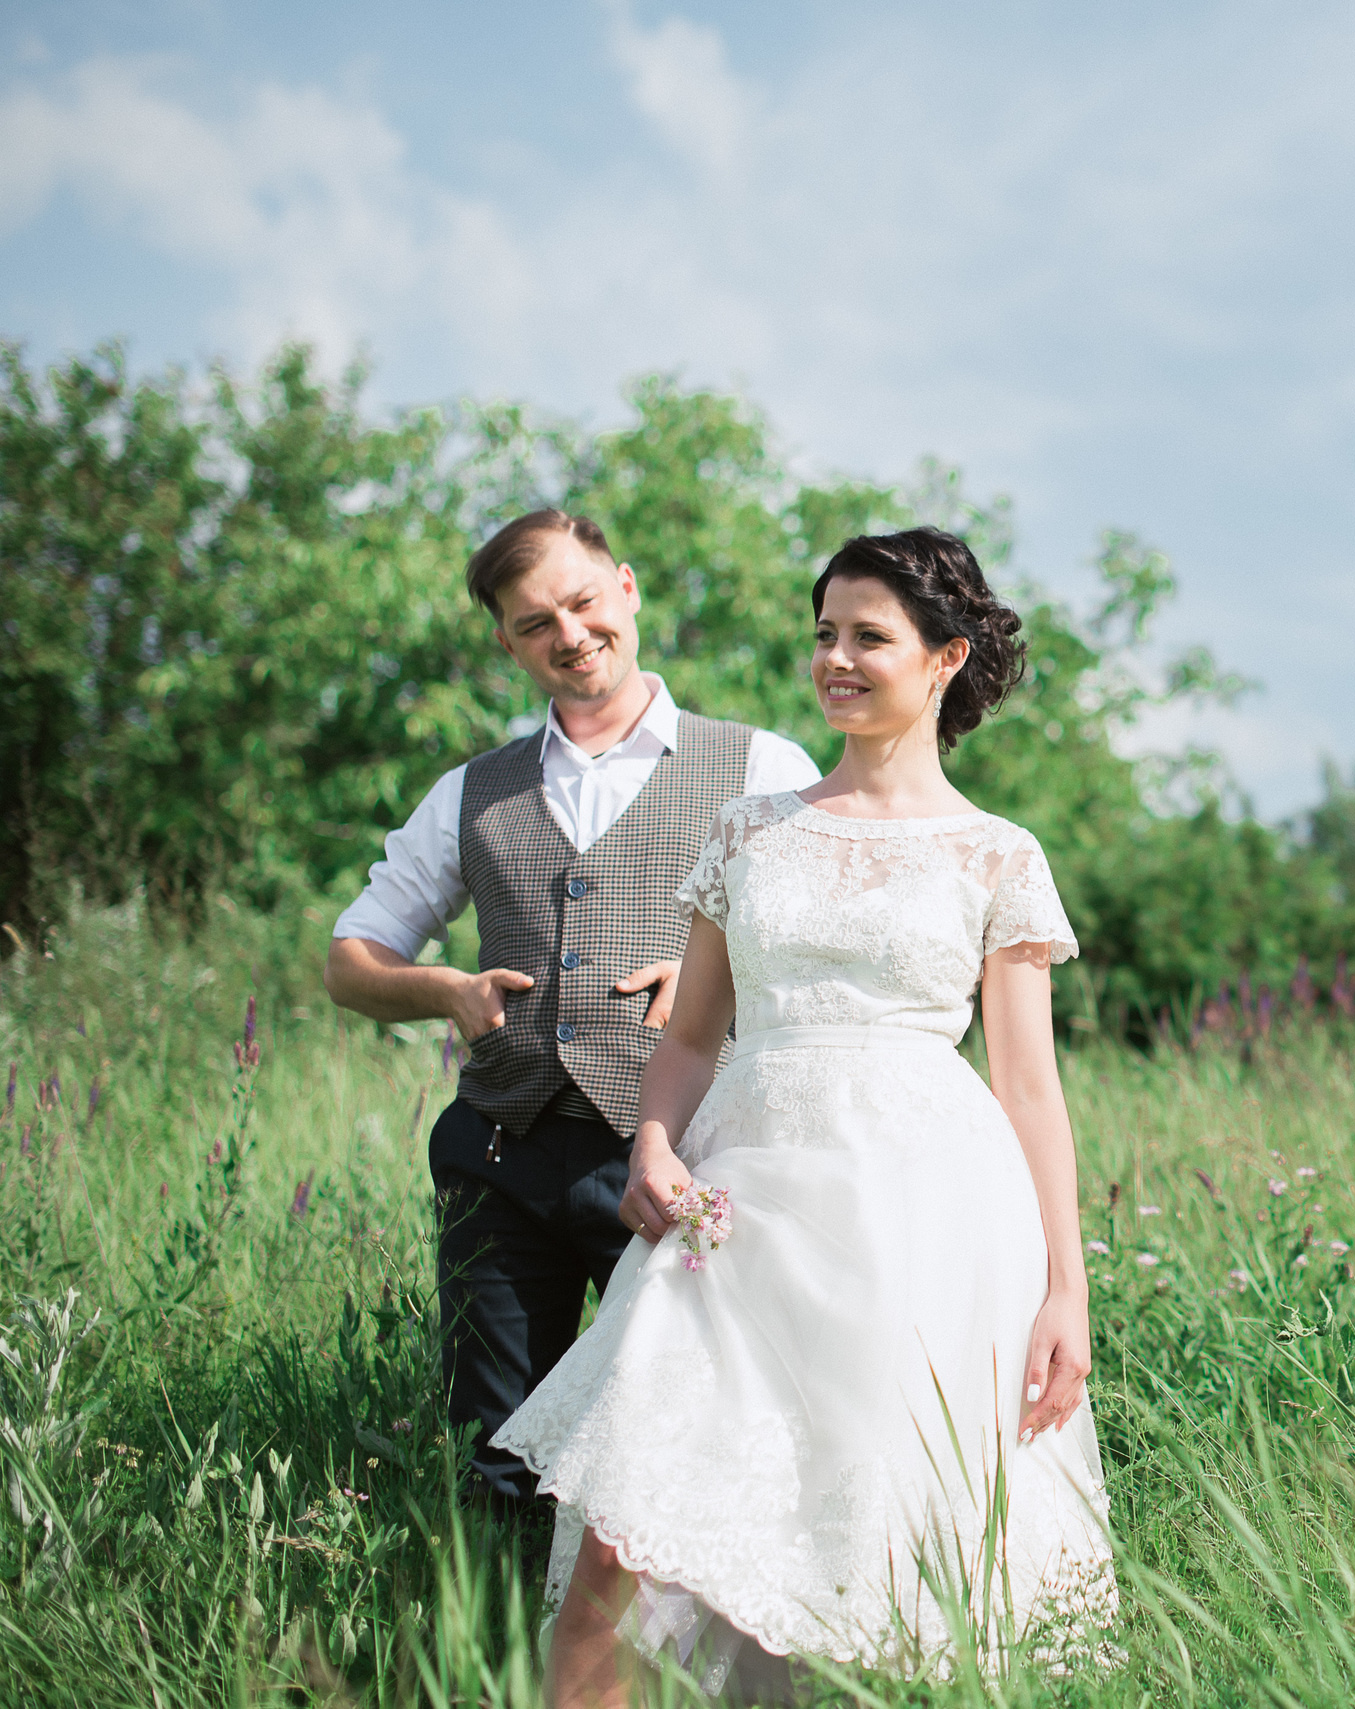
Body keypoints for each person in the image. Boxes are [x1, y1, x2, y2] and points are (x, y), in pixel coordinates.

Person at [492, 528, 1113, 1703]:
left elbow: (1032, 1086)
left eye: (867, 636)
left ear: (944, 658)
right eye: (823, 633)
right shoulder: (750, 827)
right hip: (740, 1208)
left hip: (924, 1222)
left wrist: (1065, 1288)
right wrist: (657, 1142)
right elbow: (689, 1035)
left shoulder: (998, 854)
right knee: (627, 1527)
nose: (835, 658)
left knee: (877, 1548)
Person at [323, 510, 822, 1510]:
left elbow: (826, 952)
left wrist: (717, 984)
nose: (571, 632)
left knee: (693, 1439)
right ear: (507, 642)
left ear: (626, 589)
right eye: (536, 620)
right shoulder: (473, 791)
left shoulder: (762, 767)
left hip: (681, 1153)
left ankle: (660, 1666)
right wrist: (446, 989)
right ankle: (500, 1661)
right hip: (500, 1155)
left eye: (584, 601)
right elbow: (350, 957)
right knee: (500, 1454)